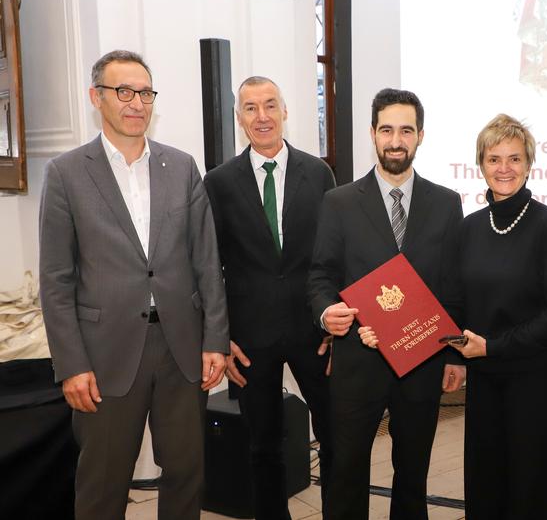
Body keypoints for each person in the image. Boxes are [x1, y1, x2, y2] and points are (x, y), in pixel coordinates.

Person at [38, 49, 229, 519]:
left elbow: (206, 260)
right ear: (96, 97)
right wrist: (72, 364)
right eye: (123, 91)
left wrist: (215, 340)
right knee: (103, 484)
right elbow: (56, 280)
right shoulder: (65, 174)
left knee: (187, 473)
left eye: (145, 92)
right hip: (104, 354)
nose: (136, 103)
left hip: (181, 347)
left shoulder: (182, 166)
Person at [307, 88, 466, 520]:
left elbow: (453, 287)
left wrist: (454, 353)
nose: (397, 140)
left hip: (423, 359)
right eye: (388, 130)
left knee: (413, 473)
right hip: (360, 358)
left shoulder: (447, 204)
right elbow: (320, 275)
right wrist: (328, 313)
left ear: (420, 136)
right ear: (373, 134)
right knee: (347, 471)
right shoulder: (338, 202)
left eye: (406, 130)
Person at [203, 76, 335, 519]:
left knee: (337, 438)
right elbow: (209, 265)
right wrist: (220, 336)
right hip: (250, 337)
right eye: (251, 108)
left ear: (284, 111)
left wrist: (338, 328)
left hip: (314, 331)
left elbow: (334, 255)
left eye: (270, 105)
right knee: (262, 446)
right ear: (240, 118)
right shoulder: (218, 183)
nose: (262, 116)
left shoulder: (319, 173)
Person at [447, 113, 547, 519]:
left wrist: (494, 346)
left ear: (529, 163)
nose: (503, 168)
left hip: (536, 380)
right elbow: (456, 302)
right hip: (486, 381)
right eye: (493, 159)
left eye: (514, 158)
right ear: (481, 164)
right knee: (487, 484)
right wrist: (455, 355)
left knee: (532, 487)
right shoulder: (469, 229)